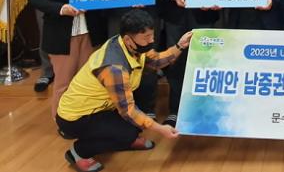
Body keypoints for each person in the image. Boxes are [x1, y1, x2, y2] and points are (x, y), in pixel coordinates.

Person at [56, 10, 191, 172]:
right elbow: (128, 111)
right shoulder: (114, 67)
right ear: (128, 39)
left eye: (152, 35)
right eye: (146, 37)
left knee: (136, 125)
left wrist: (179, 46)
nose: (152, 40)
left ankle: (125, 138)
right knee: (129, 129)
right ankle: (79, 152)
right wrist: (161, 129)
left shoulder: (129, 45)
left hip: (103, 108)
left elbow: (155, 61)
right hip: (76, 118)